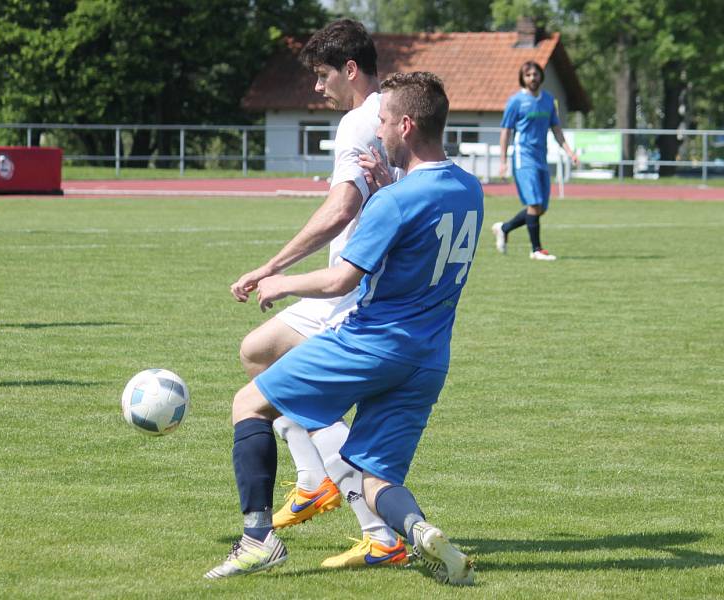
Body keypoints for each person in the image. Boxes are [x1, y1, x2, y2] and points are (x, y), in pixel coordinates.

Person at [206, 72, 481, 586]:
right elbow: (424, 214)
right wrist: (388, 189)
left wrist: (280, 281)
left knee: (248, 404)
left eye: (383, 121)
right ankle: (419, 532)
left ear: (406, 123)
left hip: (370, 344)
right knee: (377, 478)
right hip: (428, 360)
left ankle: (257, 541)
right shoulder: (470, 189)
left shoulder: (394, 202)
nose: (377, 131)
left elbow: (341, 279)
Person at [228, 19, 403, 568]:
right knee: (257, 353)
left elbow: (341, 209)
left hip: (351, 290)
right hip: (354, 286)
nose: (317, 86)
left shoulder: (357, 122)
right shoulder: (393, 114)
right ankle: (312, 479)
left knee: (297, 397)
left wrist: (273, 267)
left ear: (350, 70)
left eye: (323, 75)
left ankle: (378, 529)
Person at [491, 60, 579, 261]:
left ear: (541, 76)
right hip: (523, 157)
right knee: (534, 203)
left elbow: (556, 129)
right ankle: (536, 250)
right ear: (523, 78)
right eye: (528, 75)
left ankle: (504, 228)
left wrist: (569, 151)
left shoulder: (548, 100)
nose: (532, 78)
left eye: (535, 74)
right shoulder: (515, 101)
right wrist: (503, 161)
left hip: (541, 157)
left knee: (540, 209)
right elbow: (506, 131)